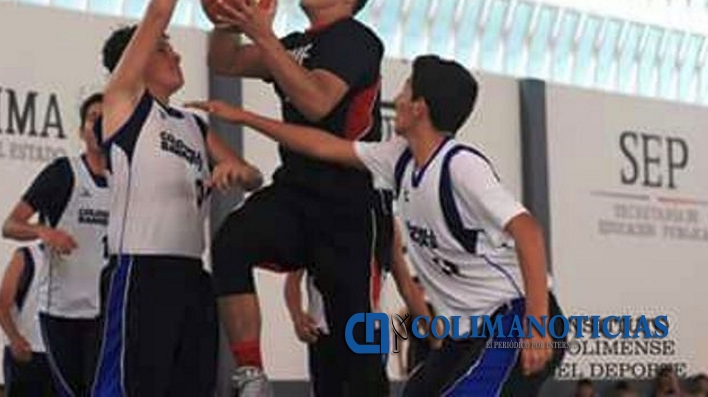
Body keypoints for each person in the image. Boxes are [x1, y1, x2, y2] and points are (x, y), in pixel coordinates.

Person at [191, 54, 567, 396]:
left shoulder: (460, 166)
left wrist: (536, 325)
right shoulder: (398, 159)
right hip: (468, 332)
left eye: (405, 90)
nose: (397, 99)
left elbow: (528, 232)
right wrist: (245, 118)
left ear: (419, 108)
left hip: (515, 319)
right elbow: (322, 146)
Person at [91, 0, 263, 397]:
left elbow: (251, 175)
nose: (177, 57)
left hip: (192, 276)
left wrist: (239, 175)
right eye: (165, 51)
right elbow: (158, 12)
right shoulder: (125, 102)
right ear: (139, 61)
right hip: (140, 271)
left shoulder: (193, 125)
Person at [207, 0, 385, 396]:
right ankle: (250, 374)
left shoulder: (357, 40)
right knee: (231, 242)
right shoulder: (295, 44)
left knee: (354, 351)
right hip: (296, 193)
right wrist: (226, 16)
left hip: (349, 206)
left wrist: (262, 35)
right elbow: (223, 60)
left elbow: (316, 99)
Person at [1, 92, 111, 396]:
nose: (100, 125)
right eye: (93, 119)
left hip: (106, 314)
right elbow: (10, 225)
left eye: (107, 118)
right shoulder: (63, 173)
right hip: (64, 315)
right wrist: (44, 232)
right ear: (81, 130)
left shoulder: (126, 180)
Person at [284, 213, 424, 396]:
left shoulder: (384, 221)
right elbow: (292, 280)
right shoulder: (316, 216)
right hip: (324, 331)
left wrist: (433, 335)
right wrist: (297, 317)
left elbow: (406, 284)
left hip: (369, 330)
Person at [0, 243, 53, 396]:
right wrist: (15, 339)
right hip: (28, 351)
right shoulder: (27, 256)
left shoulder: (79, 260)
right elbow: (1, 305)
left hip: (59, 353)